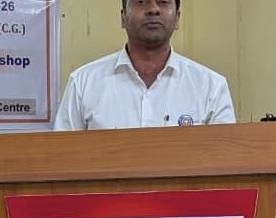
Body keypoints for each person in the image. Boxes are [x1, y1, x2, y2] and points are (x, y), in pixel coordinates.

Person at [54, 0, 235, 131]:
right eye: (141, 1)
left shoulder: (211, 87)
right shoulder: (83, 83)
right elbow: (62, 157)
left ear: (177, 18)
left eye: (163, 2)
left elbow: (225, 159)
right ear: (123, 17)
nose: (153, 9)